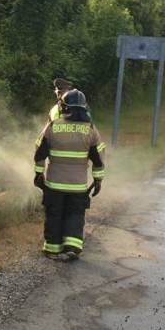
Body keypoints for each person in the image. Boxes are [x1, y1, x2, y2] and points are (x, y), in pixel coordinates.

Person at [34, 89, 106, 261]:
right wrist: (98, 180)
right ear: (84, 107)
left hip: (54, 185)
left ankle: (52, 249)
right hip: (78, 186)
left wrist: (38, 174)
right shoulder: (90, 129)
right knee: (75, 214)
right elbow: (98, 158)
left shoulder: (53, 126)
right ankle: (72, 247)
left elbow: (39, 152)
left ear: (64, 107)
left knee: (55, 215)